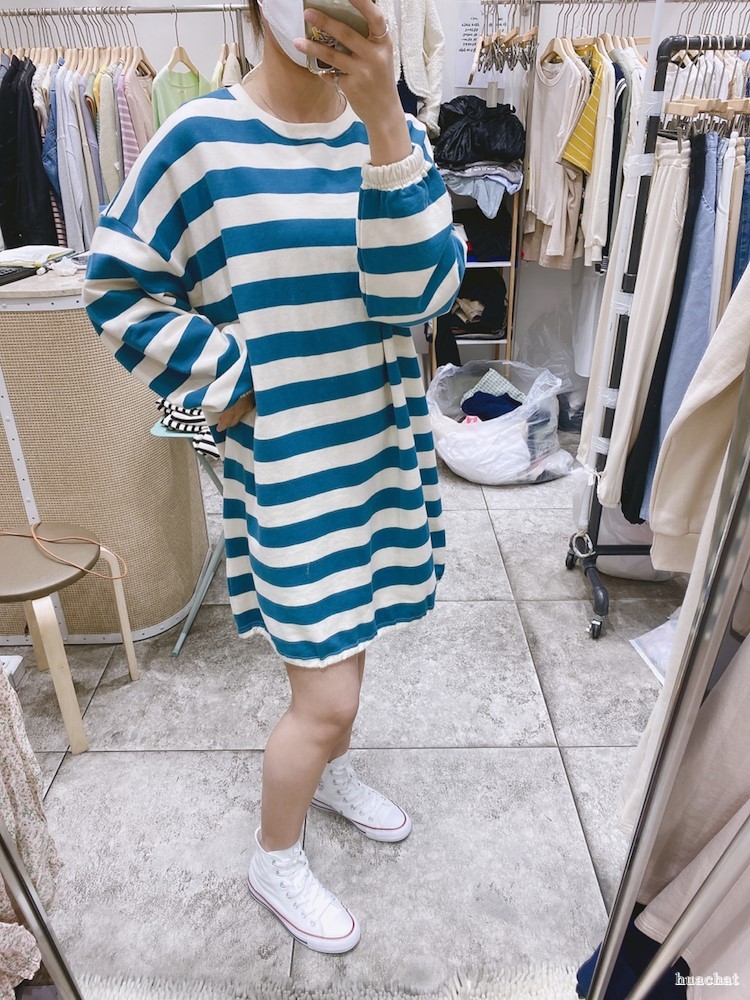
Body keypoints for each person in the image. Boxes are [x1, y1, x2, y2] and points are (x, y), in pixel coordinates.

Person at [83, 0, 465, 956]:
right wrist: (233, 376)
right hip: (291, 467)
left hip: (379, 451)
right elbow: (116, 286)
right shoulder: (199, 142)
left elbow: (422, 296)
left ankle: (329, 771)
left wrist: (387, 126)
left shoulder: (397, 133)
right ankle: (274, 854)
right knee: (324, 699)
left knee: (355, 639)